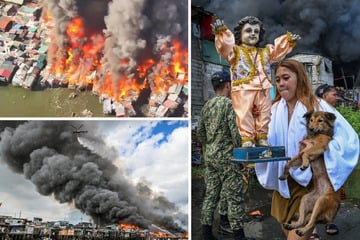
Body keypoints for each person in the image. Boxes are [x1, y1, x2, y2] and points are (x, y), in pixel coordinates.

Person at [254, 59, 359, 240]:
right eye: (277, 79)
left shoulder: (317, 106)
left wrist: (321, 147)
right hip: (282, 184)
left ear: (300, 78)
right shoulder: (273, 109)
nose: (281, 83)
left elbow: (350, 140)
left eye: (286, 78)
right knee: (287, 232)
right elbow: (264, 140)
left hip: (310, 184)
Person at [212, 16, 300, 147]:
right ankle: (247, 138)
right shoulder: (235, 51)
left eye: (256, 31)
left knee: (265, 113)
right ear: (239, 34)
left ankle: (262, 137)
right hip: (243, 88)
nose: (253, 33)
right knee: (244, 113)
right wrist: (221, 34)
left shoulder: (265, 52)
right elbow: (225, 47)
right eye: (248, 30)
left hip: (263, 88)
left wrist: (287, 41)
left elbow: (277, 51)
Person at [197, 70, 253, 240]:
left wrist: (210, 145)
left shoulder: (207, 105)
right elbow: (234, 133)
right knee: (234, 196)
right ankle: (239, 236)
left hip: (211, 156)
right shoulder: (228, 104)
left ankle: (206, 234)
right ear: (228, 85)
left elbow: (200, 131)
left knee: (211, 194)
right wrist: (239, 153)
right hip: (227, 158)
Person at [315, 83, 342, 235]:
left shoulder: (333, 113)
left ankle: (329, 221)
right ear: (324, 96)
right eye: (334, 94)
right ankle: (311, 227)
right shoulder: (317, 114)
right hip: (318, 159)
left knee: (332, 192)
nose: (336, 98)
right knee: (314, 190)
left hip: (333, 158)